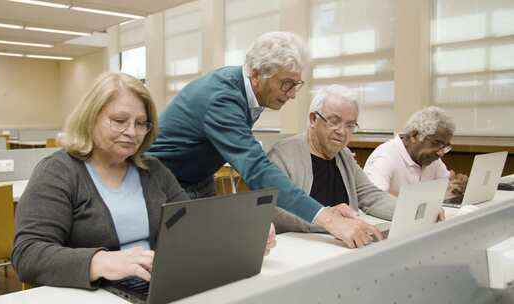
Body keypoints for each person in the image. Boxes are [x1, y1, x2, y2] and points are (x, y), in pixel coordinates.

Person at [11, 72, 275, 289]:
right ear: (90, 118)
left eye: (141, 123)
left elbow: (192, 226)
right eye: (119, 121)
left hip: (155, 286)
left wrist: (238, 235)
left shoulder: (153, 170)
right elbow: (28, 254)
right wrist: (100, 262)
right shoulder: (59, 172)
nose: (131, 132)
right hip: (98, 291)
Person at [148, 31, 370, 248]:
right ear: (256, 75)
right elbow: (256, 170)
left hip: (199, 177)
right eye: (286, 84)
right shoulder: (221, 99)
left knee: (209, 254)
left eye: (296, 84)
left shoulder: (250, 90)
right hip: (163, 181)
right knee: (182, 256)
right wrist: (328, 220)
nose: (292, 94)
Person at [268, 85, 397, 244]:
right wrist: (328, 220)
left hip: (342, 247)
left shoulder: (345, 155)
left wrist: (412, 210)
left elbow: (371, 196)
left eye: (350, 125)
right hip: (298, 248)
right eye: (334, 122)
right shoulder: (284, 154)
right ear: (313, 119)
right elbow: (274, 211)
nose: (342, 131)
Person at [363, 106, 468, 197]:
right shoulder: (385, 157)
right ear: (414, 136)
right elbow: (375, 199)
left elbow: (445, 190)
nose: (441, 153)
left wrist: (455, 188)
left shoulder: (431, 159)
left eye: (445, 146)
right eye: (437, 143)